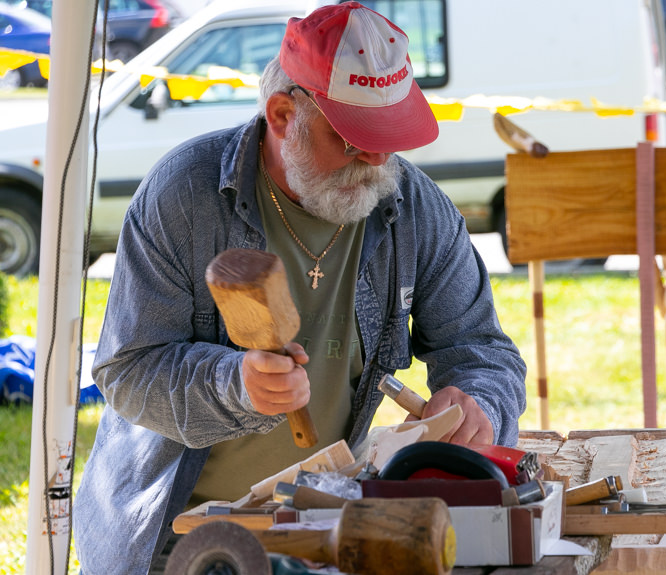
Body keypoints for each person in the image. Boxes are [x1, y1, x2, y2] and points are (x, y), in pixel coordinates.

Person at [73, 3, 527, 573]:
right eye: (354, 138)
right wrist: (233, 383)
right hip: (176, 530)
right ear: (284, 114)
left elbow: (483, 351)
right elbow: (127, 370)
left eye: (390, 135)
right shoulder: (182, 196)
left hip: (329, 520)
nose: (379, 158)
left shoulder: (414, 209)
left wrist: (478, 403)